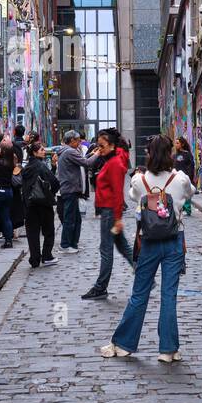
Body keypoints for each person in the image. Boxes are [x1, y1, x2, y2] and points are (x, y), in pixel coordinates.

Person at [100, 135, 193, 362]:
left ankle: (123, 344)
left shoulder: (139, 180)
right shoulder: (180, 178)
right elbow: (190, 193)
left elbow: (133, 198)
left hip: (147, 241)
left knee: (139, 293)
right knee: (168, 295)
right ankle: (168, 350)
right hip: (173, 241)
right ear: (170, 153)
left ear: (149, 154)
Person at [82, 129, 134, 302]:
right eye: (98, 145)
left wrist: (118, 218)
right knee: (123, 246)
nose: (99, 149)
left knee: (106, 249)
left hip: (110, 212)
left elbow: (118, 193)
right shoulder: (112, 160)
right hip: (109, 211)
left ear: (112, 145)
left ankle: (100, 287)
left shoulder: (114, 164)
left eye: (102, 146)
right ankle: (145, 277)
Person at [22, 139, 60, 268]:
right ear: (34, 152)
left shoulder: (26, 167)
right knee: (48, 230)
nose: (44, 152)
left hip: (30, 204)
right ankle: (47, 256)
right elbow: (54, 182)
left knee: (32, 233)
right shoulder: (41, 166)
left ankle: (34, 259)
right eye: (42, 150)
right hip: (43, 203)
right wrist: (51, 194)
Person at [56, 130, 91, 253]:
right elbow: (86, 162)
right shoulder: (70, 151)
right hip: (70, 189)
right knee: (70, 218)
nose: (80, 143)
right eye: (78, 141)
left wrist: (93, 153)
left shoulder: (67, 151)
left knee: (76, 218)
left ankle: (73, 244)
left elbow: (83, 159)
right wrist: (98, 154)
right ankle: (65, 245)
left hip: (71, 189)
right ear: (72, 141)